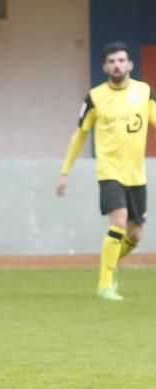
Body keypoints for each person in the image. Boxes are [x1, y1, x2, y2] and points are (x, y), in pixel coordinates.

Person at [57, 41, 156, 301]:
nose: (117, 65)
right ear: (105, 67)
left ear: (130, 64)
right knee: (119, 222)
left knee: (135, 235)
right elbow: (79, 136)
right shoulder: (95, 97)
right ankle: (104, 285)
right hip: (109, 172)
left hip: (137, 175)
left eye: (121, 60)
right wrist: (65, 171)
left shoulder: (145, 92)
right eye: (112, 61)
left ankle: (108, 267)